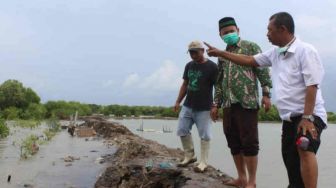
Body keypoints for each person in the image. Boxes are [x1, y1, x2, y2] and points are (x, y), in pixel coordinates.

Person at [205, 12, 327, 188]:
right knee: (290, 160)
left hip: (309, 115)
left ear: (282, 29)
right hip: (288, 118)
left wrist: (307, 118)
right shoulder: (276, 53)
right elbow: (249, 60)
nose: (267, 34)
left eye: (269, 30)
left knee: (304, 146)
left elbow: (312, 86)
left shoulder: (305, 51)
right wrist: (220, 53)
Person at [211, 17, 272, 188]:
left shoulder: (250, 47)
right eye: (225, 32)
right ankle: (241, 178)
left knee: (250, 142)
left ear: (238, 30)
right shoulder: (221, 55)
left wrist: (266, 94)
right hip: (228, 104)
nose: (229, 34)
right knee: (234, 142)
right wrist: (215, 104)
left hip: (247, 102)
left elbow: (263, 72)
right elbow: (220, 81)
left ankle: (251, 181)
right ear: (220, 35)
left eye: (231, 31)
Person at [174, 40, 218, 172]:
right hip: (188, 105)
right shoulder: (189, 65)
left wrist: (215, 105)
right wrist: (178, 101)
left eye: (195, 52)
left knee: (205, 135)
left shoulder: (212, 67)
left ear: (203, 51)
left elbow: (218, 87)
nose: (193, 55)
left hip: (204, 107)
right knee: (182, 129)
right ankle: (189, 155)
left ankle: (203, 161)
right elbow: (185, 84)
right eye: (191, 52)